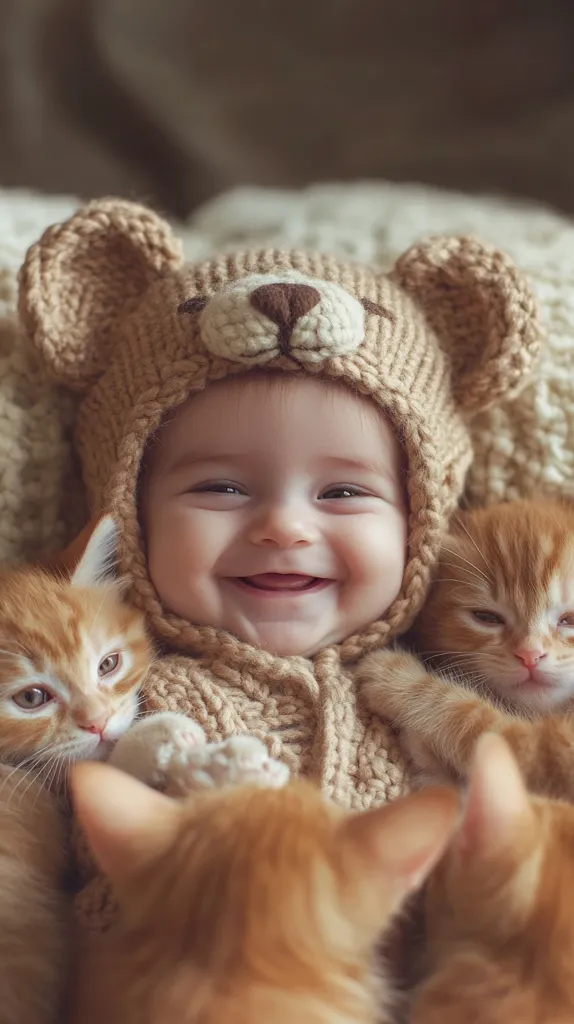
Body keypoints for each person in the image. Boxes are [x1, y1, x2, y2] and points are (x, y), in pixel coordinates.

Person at [19, 198, 541, 923]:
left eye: (344, 491)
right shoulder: (127, 706)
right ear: (129, 518)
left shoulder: (455, 692)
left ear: (423, 523)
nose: (284, 527)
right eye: (221, 487)